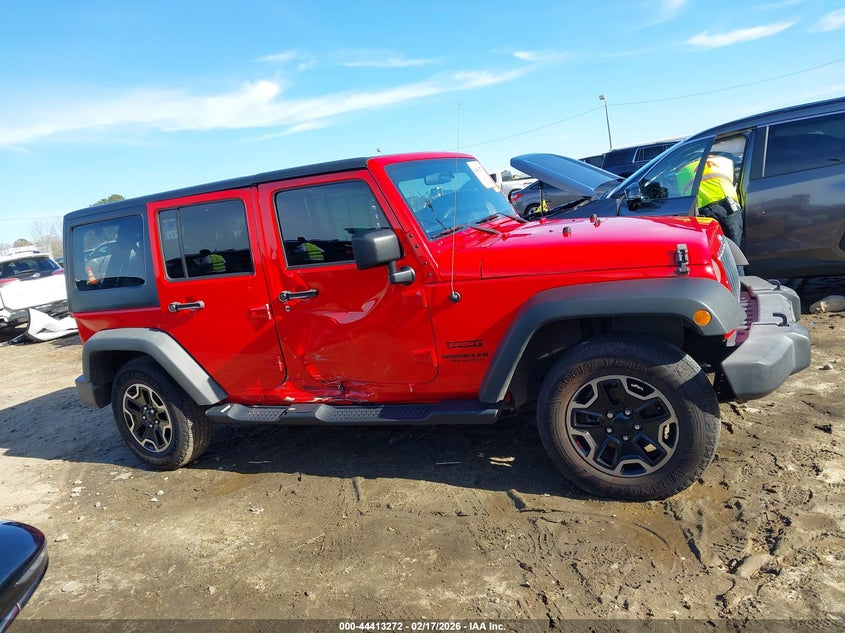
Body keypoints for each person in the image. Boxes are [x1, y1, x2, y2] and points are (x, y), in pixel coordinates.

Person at [677, 154, 743, 244]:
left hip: (705, 212)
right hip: (730, 208)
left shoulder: (682, 172)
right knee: (734, 245)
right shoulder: (724, 162)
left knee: (715, 247)